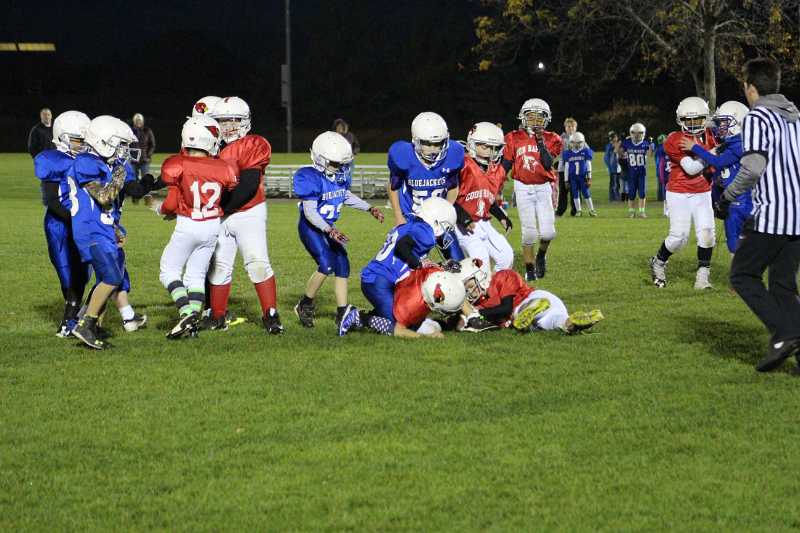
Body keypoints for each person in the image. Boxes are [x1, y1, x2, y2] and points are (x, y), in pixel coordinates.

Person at [715, 58, 800, 372]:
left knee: (743, 275)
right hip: (798, 216)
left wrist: (727, 196)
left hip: (774, 214)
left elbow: (753, 168)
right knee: (783, 286)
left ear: (750, 88)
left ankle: (785, 333)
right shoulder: (795, 117)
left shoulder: (757, 116)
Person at [150, 115, 238, 339]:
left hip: (188, 224)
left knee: (169, 270)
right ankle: (193, 324)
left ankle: (186, 312)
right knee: (196, 275)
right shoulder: (224, 167)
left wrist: (160, 209)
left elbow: (171, 203)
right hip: (212, 225)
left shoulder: (178, 164)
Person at [206, 96, 283, 333]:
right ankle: (217, 316)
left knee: (257, 263)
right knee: (219, 267)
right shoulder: (209, 147)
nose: (228, 126)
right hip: (220, 214)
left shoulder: (252, 144)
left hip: (248, 211)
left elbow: (248, 185)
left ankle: (271, 314)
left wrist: (219, 208)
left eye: (234, 120)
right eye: (222, 121)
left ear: (245, 122)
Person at [292, 131, 384, 328]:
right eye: (336, 163)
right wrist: (329, 230)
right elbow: (310, 212)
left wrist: (369, 208)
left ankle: (342, 312)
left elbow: (345, 195)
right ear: (320, 159)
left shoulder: (338, 176)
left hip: (328, 227)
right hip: (311, 227)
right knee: (326, 264)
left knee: (343, 264)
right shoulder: (309, 177)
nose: (341, 168)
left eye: (342, 164)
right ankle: (304, 304)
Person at [69, 116, 139, 349]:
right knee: (111, 278)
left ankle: (93, 326)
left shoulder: (99, 162)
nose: (123, 151)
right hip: (91, 231)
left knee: (108, 277)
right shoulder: (86, 162)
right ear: (104, 142)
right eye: (121, 145)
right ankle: (85, 325)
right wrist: (120, 174)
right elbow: (103, 196)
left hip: (101, 227)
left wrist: (114, 226)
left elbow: (104, 206)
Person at [356, 197, 457, 337]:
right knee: (398, 327)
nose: (445, 231)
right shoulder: (426, 232)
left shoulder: (412, 224)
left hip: (383, 278)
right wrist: (418, 263)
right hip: (379, 281)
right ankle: (360, 318)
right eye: (446, 226)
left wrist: (437, 265)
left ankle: (376, 314)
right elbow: (402, 247)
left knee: (408, 319)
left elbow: (409, 253)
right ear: (435, 221)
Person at [649, 97, 717, 290]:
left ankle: (702, 276)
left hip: (703, 191)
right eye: (689, 120)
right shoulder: (674, 139)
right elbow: (692, 168)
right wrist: (714, 153)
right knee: (679, 237)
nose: (694, 124)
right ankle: (658, 262)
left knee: (707, 234)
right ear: (681, 120)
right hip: (679, 191)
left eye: (698, 119)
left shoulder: (711, 135)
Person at [34, 110, 92, 336]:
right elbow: (51, 200)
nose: (83, 144)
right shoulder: (51, 160)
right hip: (60, 224)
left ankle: (73, 316)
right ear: (63, 137)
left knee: (83, 273)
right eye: (78, 140)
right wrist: (77, 219)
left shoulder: (87, 160)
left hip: (83, 222)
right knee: (67, 273)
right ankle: (70, 318)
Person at [387, 111, 465, 261]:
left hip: (439, 220)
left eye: (438, 143)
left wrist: (446, 211)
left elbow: (453, 186)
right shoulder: (403, 155)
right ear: (415, 140)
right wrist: (398, 216)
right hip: (412, 218)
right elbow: (393, 187)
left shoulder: (453, 154)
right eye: (427, 144)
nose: (433, 149)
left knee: (458, 262)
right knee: (407, 265)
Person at [457, 257, 604, 334]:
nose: (469, 291)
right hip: (543, 309)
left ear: (479, 276)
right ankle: (574, 323)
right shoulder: (478, 303)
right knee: (554, 322)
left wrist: (477, 314)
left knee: (519, 311)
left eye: (469, 285)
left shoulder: (502, 276)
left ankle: (531, 307)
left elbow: (506, 308)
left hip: (531, 299)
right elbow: (461, 324)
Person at [502, 98, 562, 281]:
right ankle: (529, 268)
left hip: (543, 187)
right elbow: (505, 166)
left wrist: (540, 141)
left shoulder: (552, 138)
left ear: (546, 119)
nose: (535, 120)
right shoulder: (513, 137)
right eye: (531, 116)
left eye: (539, 117)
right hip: (522, 187)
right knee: (529, 232)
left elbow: (547, 163)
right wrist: (496, 186)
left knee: (548, 232)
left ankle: (541, 255)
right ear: (523, 117)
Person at [679, 101, 749, 254]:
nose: (720, 126)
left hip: (742, 201)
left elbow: (719, 161)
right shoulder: (730, 143)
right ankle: (740, 267)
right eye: (720, 122)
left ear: (739, 122)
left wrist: (694, 147)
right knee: (734, 240)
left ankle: (745, 266)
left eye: (725, 122)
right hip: (732, 200)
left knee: (740, 241)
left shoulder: (740, 144)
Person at [453, 122, 514, 273]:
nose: (490, 152)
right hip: (461, 223)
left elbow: (488, 199)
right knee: (481, 263)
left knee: (506, 256)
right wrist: (463, 218)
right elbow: (448, 198)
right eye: (485, 147)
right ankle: (474, 286)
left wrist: (501, 216)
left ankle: (494, 286)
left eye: (494, 148)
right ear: (472, 144)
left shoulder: (495, 170)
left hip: (483, 221)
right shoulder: (463, 164)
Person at [340, 266, 466, 338]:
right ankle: (359, 317)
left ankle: (375, 314)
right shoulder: (412, 305)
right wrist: (425, 338)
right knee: (394, 325)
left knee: (432, 327)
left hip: (386, 280)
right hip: (375, 283)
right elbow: (398, 330)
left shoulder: (434, 273)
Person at [620, 123, 654, 218]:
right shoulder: (627, 143)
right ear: (631, 133)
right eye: (634, 133)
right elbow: (620, 153)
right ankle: (631, 212)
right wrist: (621, 143)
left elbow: (650, 155)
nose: (636, 135)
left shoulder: (646, 144)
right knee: (631, 194)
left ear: (643, 133)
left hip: (642, 172)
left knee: (642, 193)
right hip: (631, 173)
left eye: (639, 133)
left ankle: (642, 212)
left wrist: (651, 145)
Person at [562, 132, 596, 216]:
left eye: (579, 142)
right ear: (571, 142)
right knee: (575, 194)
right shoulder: (568, 153)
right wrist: (566, 180)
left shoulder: (585, 151)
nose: (576, 145)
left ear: (583, 142)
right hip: (573, 178)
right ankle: (578, 210)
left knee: (586, 193)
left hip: (583, 177)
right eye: (574, 143)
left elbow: (588, 164)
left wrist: (589, 177)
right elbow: (566, 168)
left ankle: (591, 210)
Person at [556, 117, 578, 216]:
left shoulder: (579, 138)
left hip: (576, 168)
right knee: (563, 190)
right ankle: (560, 210)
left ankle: (576, 210)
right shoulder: (561, 138)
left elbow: (587, 150)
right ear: (565, 128)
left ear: (575, 128)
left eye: (572, 126)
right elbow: (560, 152)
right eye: (568, 126)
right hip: (563, 168)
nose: (570, 128)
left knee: (575, 190)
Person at [131, 113, 156, 178]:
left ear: (142, 121)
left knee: (145, 179)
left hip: (144, 160)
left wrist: (148, 155)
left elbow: (152, 145)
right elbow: (127, 144)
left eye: (140, 120)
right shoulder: (130, 131)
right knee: (133, 179)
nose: (138, 122)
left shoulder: (147, 131)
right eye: (137, 120)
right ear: (134, 121)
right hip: (133, 160)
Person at [604, 131, 622, 201]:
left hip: (618, 167)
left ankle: (617, 197)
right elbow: (606, 158)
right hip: (613, 168)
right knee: (613, 184)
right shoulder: (609, 146)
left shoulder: (617, 145)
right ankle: (612, 198)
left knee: (618, 183)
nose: (616, 138)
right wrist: (609, 167)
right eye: (615, 137)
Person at [654, 134, 668, 203]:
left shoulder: (658, 148)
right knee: (663, 183)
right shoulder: (663, 147)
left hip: (659, 167)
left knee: (660, 183)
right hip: (662, 167)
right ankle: (662, 197)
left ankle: (660, 197)